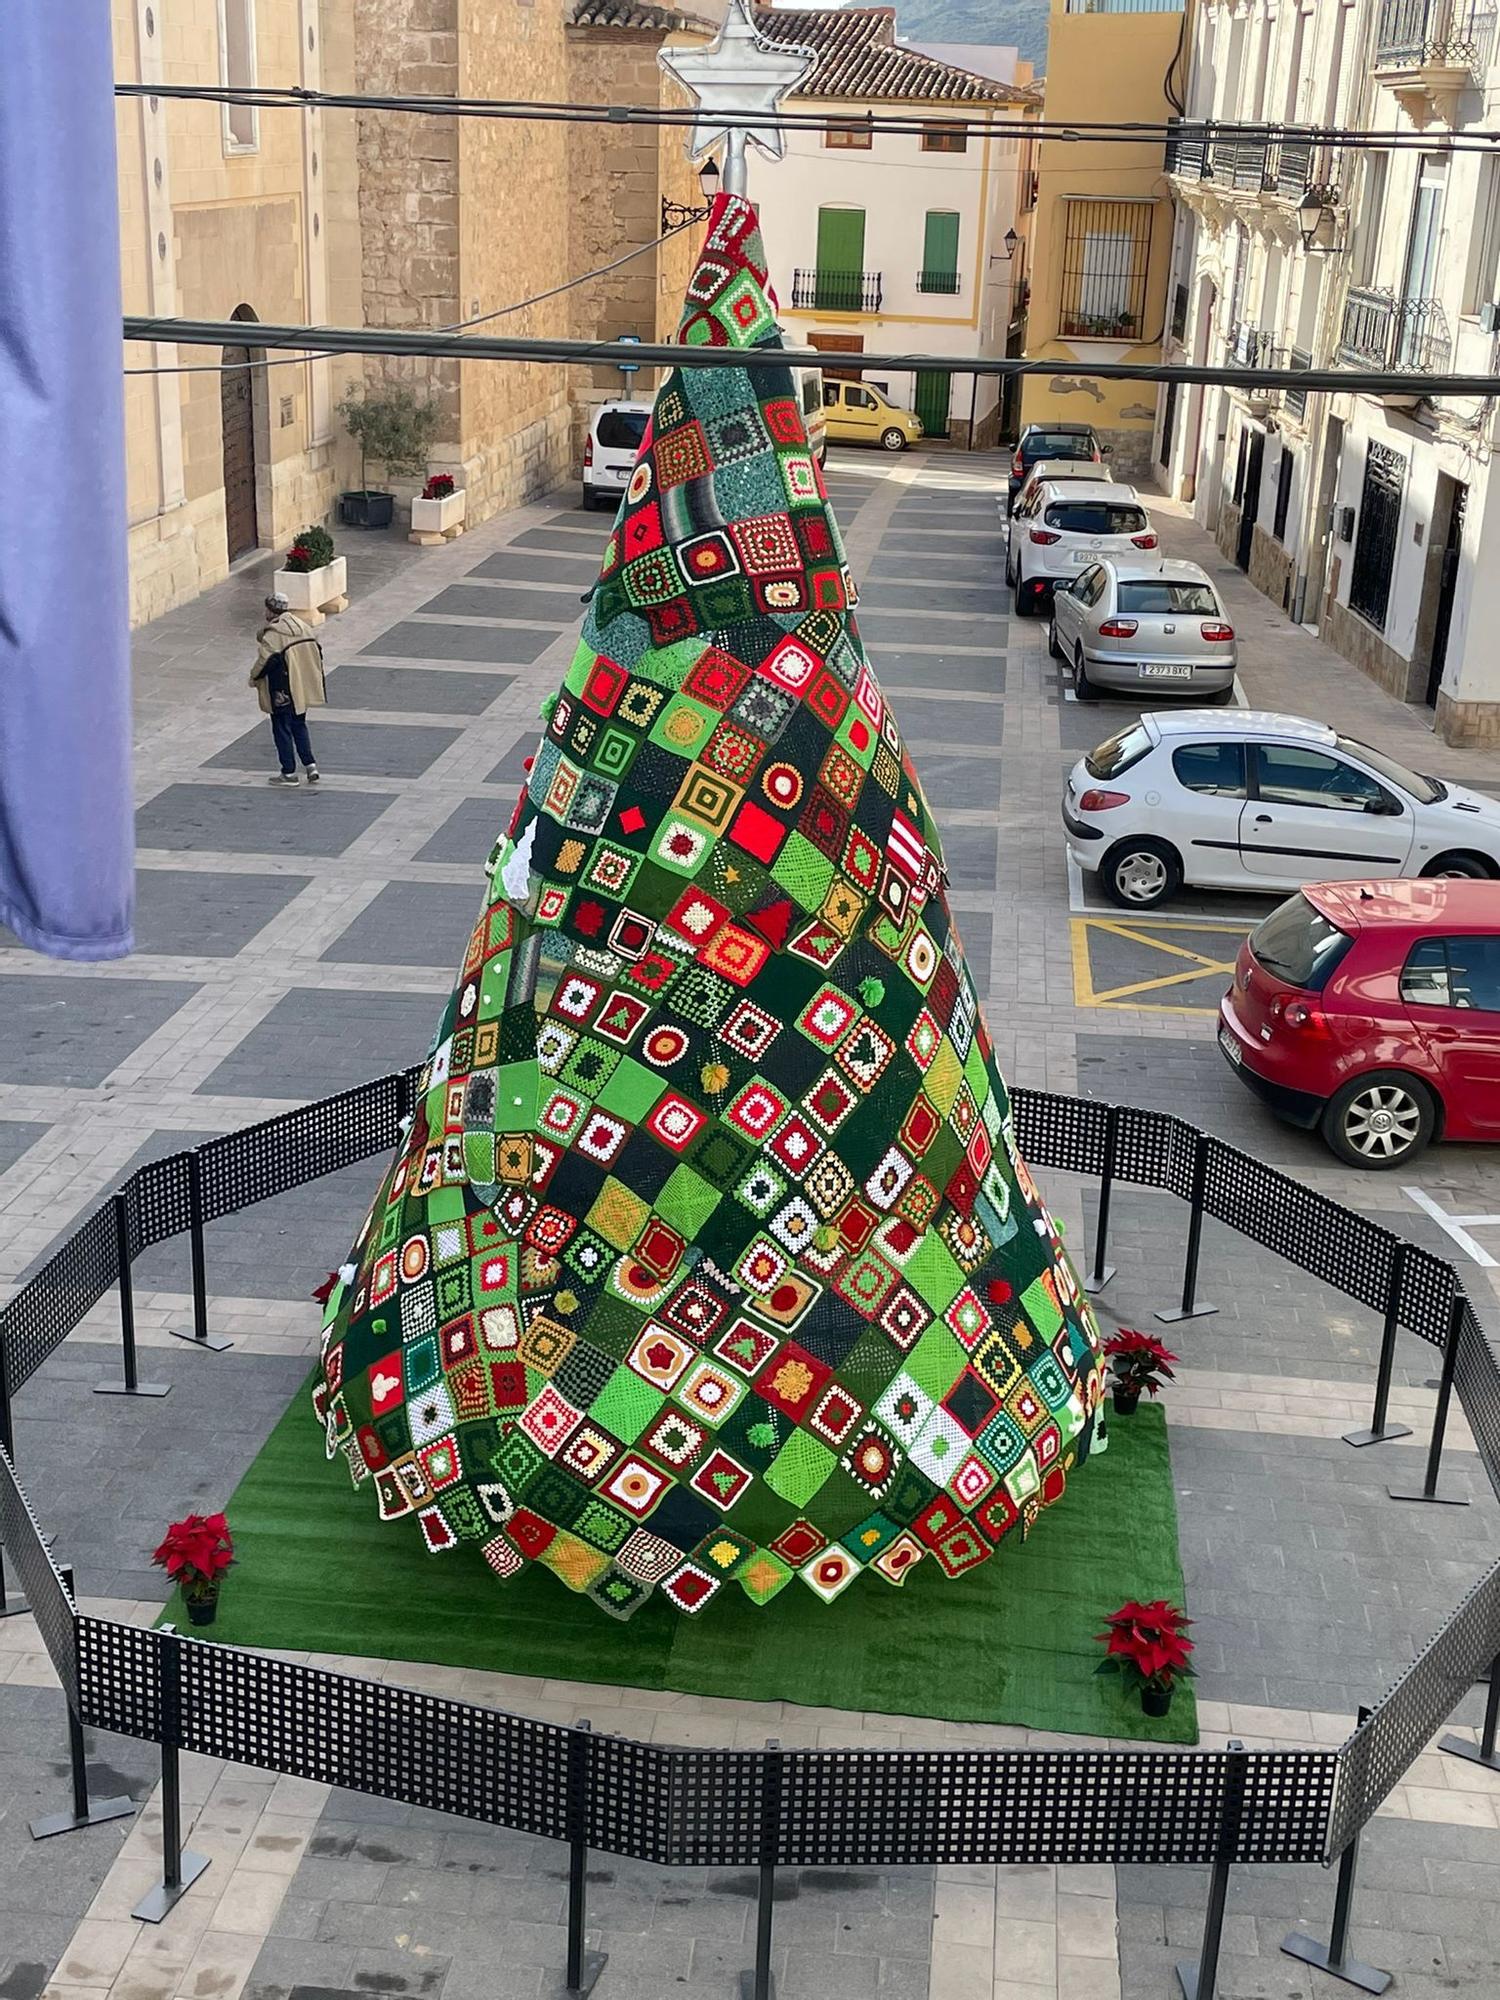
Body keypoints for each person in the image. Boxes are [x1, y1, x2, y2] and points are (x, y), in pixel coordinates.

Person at [250, 594, 326, 784]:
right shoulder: (304, 627)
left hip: (282, 689)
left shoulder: (274, 635)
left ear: (270, 610)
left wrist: (253, 678)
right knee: (299, 724)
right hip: (302, 686)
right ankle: (310, 765)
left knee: (281, 728)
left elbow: (264, 661)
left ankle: (289, 772)